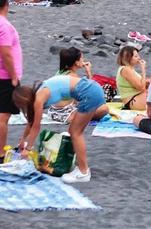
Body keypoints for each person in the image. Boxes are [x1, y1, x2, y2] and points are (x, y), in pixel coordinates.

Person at [14, 48, 110, 182]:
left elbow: (36, 126)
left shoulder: (39, 98)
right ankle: (82, 170)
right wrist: (22, 140)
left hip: (89, 92)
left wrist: (28, 149)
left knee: (76, 132)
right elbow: (31, 122)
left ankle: (83, 172)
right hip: (91, 90)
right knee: (74, 131)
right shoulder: (39, 92)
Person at [0, 0, 20, 151]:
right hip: (5, 76)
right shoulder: (4, 25)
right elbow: (6, 53)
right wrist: (13, 76)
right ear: (6, 3)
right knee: (3, 117)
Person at [115, 44, 150, 110]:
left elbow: (139, 85)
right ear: (128, 58)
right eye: (136, 56)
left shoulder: (130, 69)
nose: (139, 58)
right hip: (132, 100)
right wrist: (143, 69)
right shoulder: (126, 69)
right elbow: (142, 88)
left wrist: (146, 82)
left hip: (138, 96)